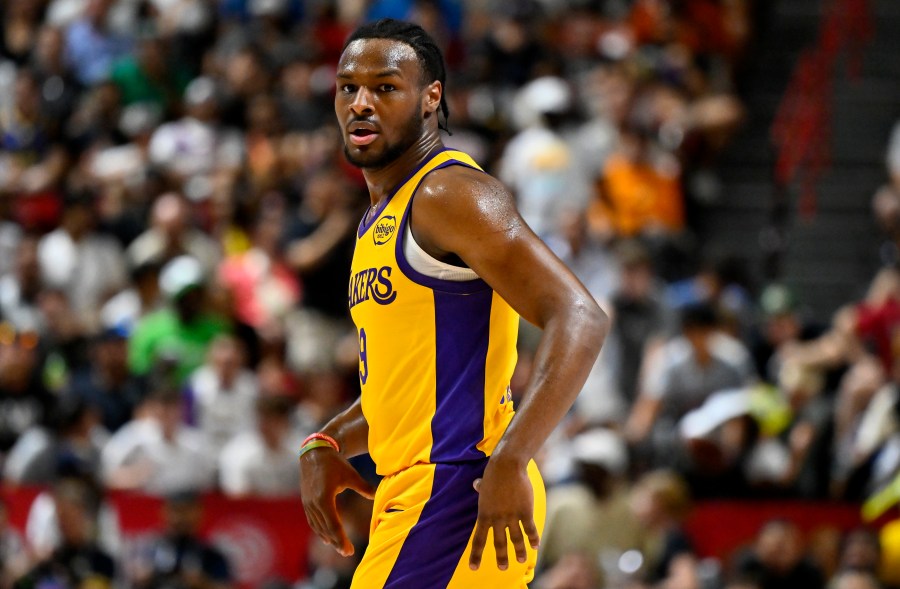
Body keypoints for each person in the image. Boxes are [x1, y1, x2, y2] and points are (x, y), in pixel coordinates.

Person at [298, 18, 607, 589]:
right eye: (348, 87)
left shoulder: (448, 193)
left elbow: (580, 315)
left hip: (458, 490)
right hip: (420, 493)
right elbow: (414, 389)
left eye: (386, 87)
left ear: (430, 97)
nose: (361, 103)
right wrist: (327, 441)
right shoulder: (376, 220)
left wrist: (512, 459)